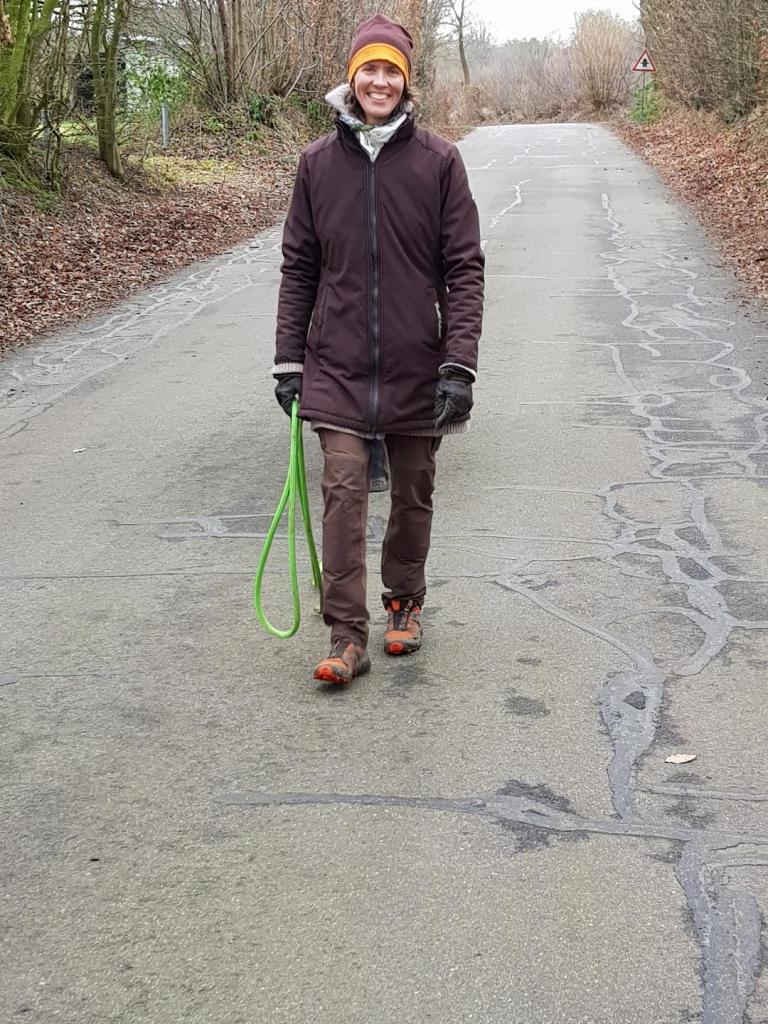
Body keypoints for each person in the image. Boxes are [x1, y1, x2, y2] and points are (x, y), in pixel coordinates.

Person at [272, 13, 484, 684]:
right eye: (370, 69)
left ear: (406, 81)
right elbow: (299, 268)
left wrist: (459, 363)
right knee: (342, 493)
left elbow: (464, 269)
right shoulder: (316, 164)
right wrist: (288, 360)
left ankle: (404, 603)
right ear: (352, 78)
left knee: (413, 491)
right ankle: (346, 634)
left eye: (392, 70)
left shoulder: (439, 162)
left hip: (418, 364)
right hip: (336, 364)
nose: (380, 81)